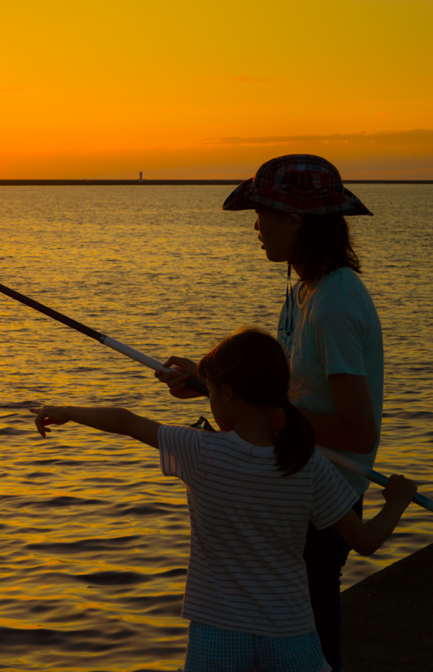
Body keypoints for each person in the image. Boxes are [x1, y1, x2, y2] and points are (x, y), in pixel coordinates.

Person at [31, 329, 415, 672]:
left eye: (210, 390)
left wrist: (64, 410)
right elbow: (365, 542)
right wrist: (397, 500)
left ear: (228, 394)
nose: (209, 399)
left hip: (217, 632)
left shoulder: (199, 450)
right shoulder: (307, 462)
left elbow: (125, 420)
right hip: (290, 633)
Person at [158, 154, 383, 671]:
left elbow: (356, 430)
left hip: (324, 497)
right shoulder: (305, 290)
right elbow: (290, 393)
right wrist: (212, 382)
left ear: (295, 220)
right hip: (297, 483)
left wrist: (271, 416)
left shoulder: (335, 305)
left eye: (262, 214)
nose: (255, 227)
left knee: (314, 642)